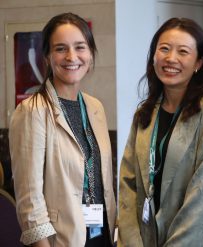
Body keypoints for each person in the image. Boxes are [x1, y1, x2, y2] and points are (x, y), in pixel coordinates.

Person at [118, 17, 203, 246]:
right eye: (164, 49)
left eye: (183, 51)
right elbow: (128, 187)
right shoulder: (145, 114)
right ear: (154, 56)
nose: (171, 58)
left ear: (198, 63)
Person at [9, 12, 116, 247]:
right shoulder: (32, 111)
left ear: (90, 54)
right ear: (47, 57)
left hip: (102, 234)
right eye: (60, 49)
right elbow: (29, 199)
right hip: (62, 239)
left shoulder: (95, 107)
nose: (71, 57)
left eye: (80, 47)